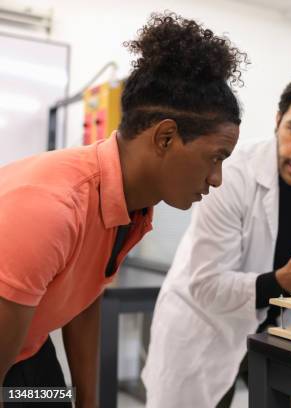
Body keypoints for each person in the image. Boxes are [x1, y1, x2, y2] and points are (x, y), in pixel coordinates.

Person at [0, 12, 246, 408]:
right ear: (166, 137)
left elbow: (84, 297)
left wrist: (89, 403)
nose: (216, 178)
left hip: (26, 348)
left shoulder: (131, 203)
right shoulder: (51, 208)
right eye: (215, 158)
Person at [142, 70, 291, 407]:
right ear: (277, 121)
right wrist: (282, 281)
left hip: (284, 338)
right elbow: (206, 285)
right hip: (206, 328)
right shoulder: (230, 173)